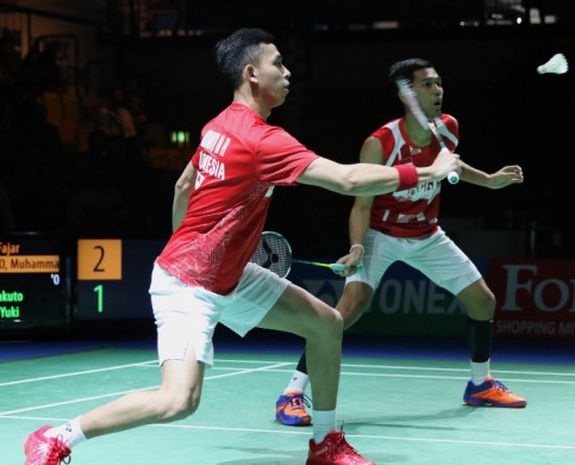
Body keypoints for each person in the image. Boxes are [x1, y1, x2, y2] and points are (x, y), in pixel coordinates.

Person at [22, 31, 460, 465]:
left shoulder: (218, 125)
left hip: (226, 274)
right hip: (190, 285)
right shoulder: (262, 140)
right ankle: (58, 436)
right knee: (178, 401)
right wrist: (427, 171)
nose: (288, 73)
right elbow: (347, 179)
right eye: (279, 64)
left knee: (327, 324)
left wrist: (203, 245)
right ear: (252, 73)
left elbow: (184, 185)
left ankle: (326, 444)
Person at [275, 58, 526, 427]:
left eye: (439, 83)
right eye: (427, 85)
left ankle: (480, 384)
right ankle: (292, 393)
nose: (438, 90)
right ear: (406, 94)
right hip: (381, 235)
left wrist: (488, 180)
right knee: (349, 309)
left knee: (482, 301)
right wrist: (358, 246)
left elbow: (451, 163)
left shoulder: (449, 128)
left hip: (428, 235)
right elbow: (361, 204)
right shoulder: (381, 143)